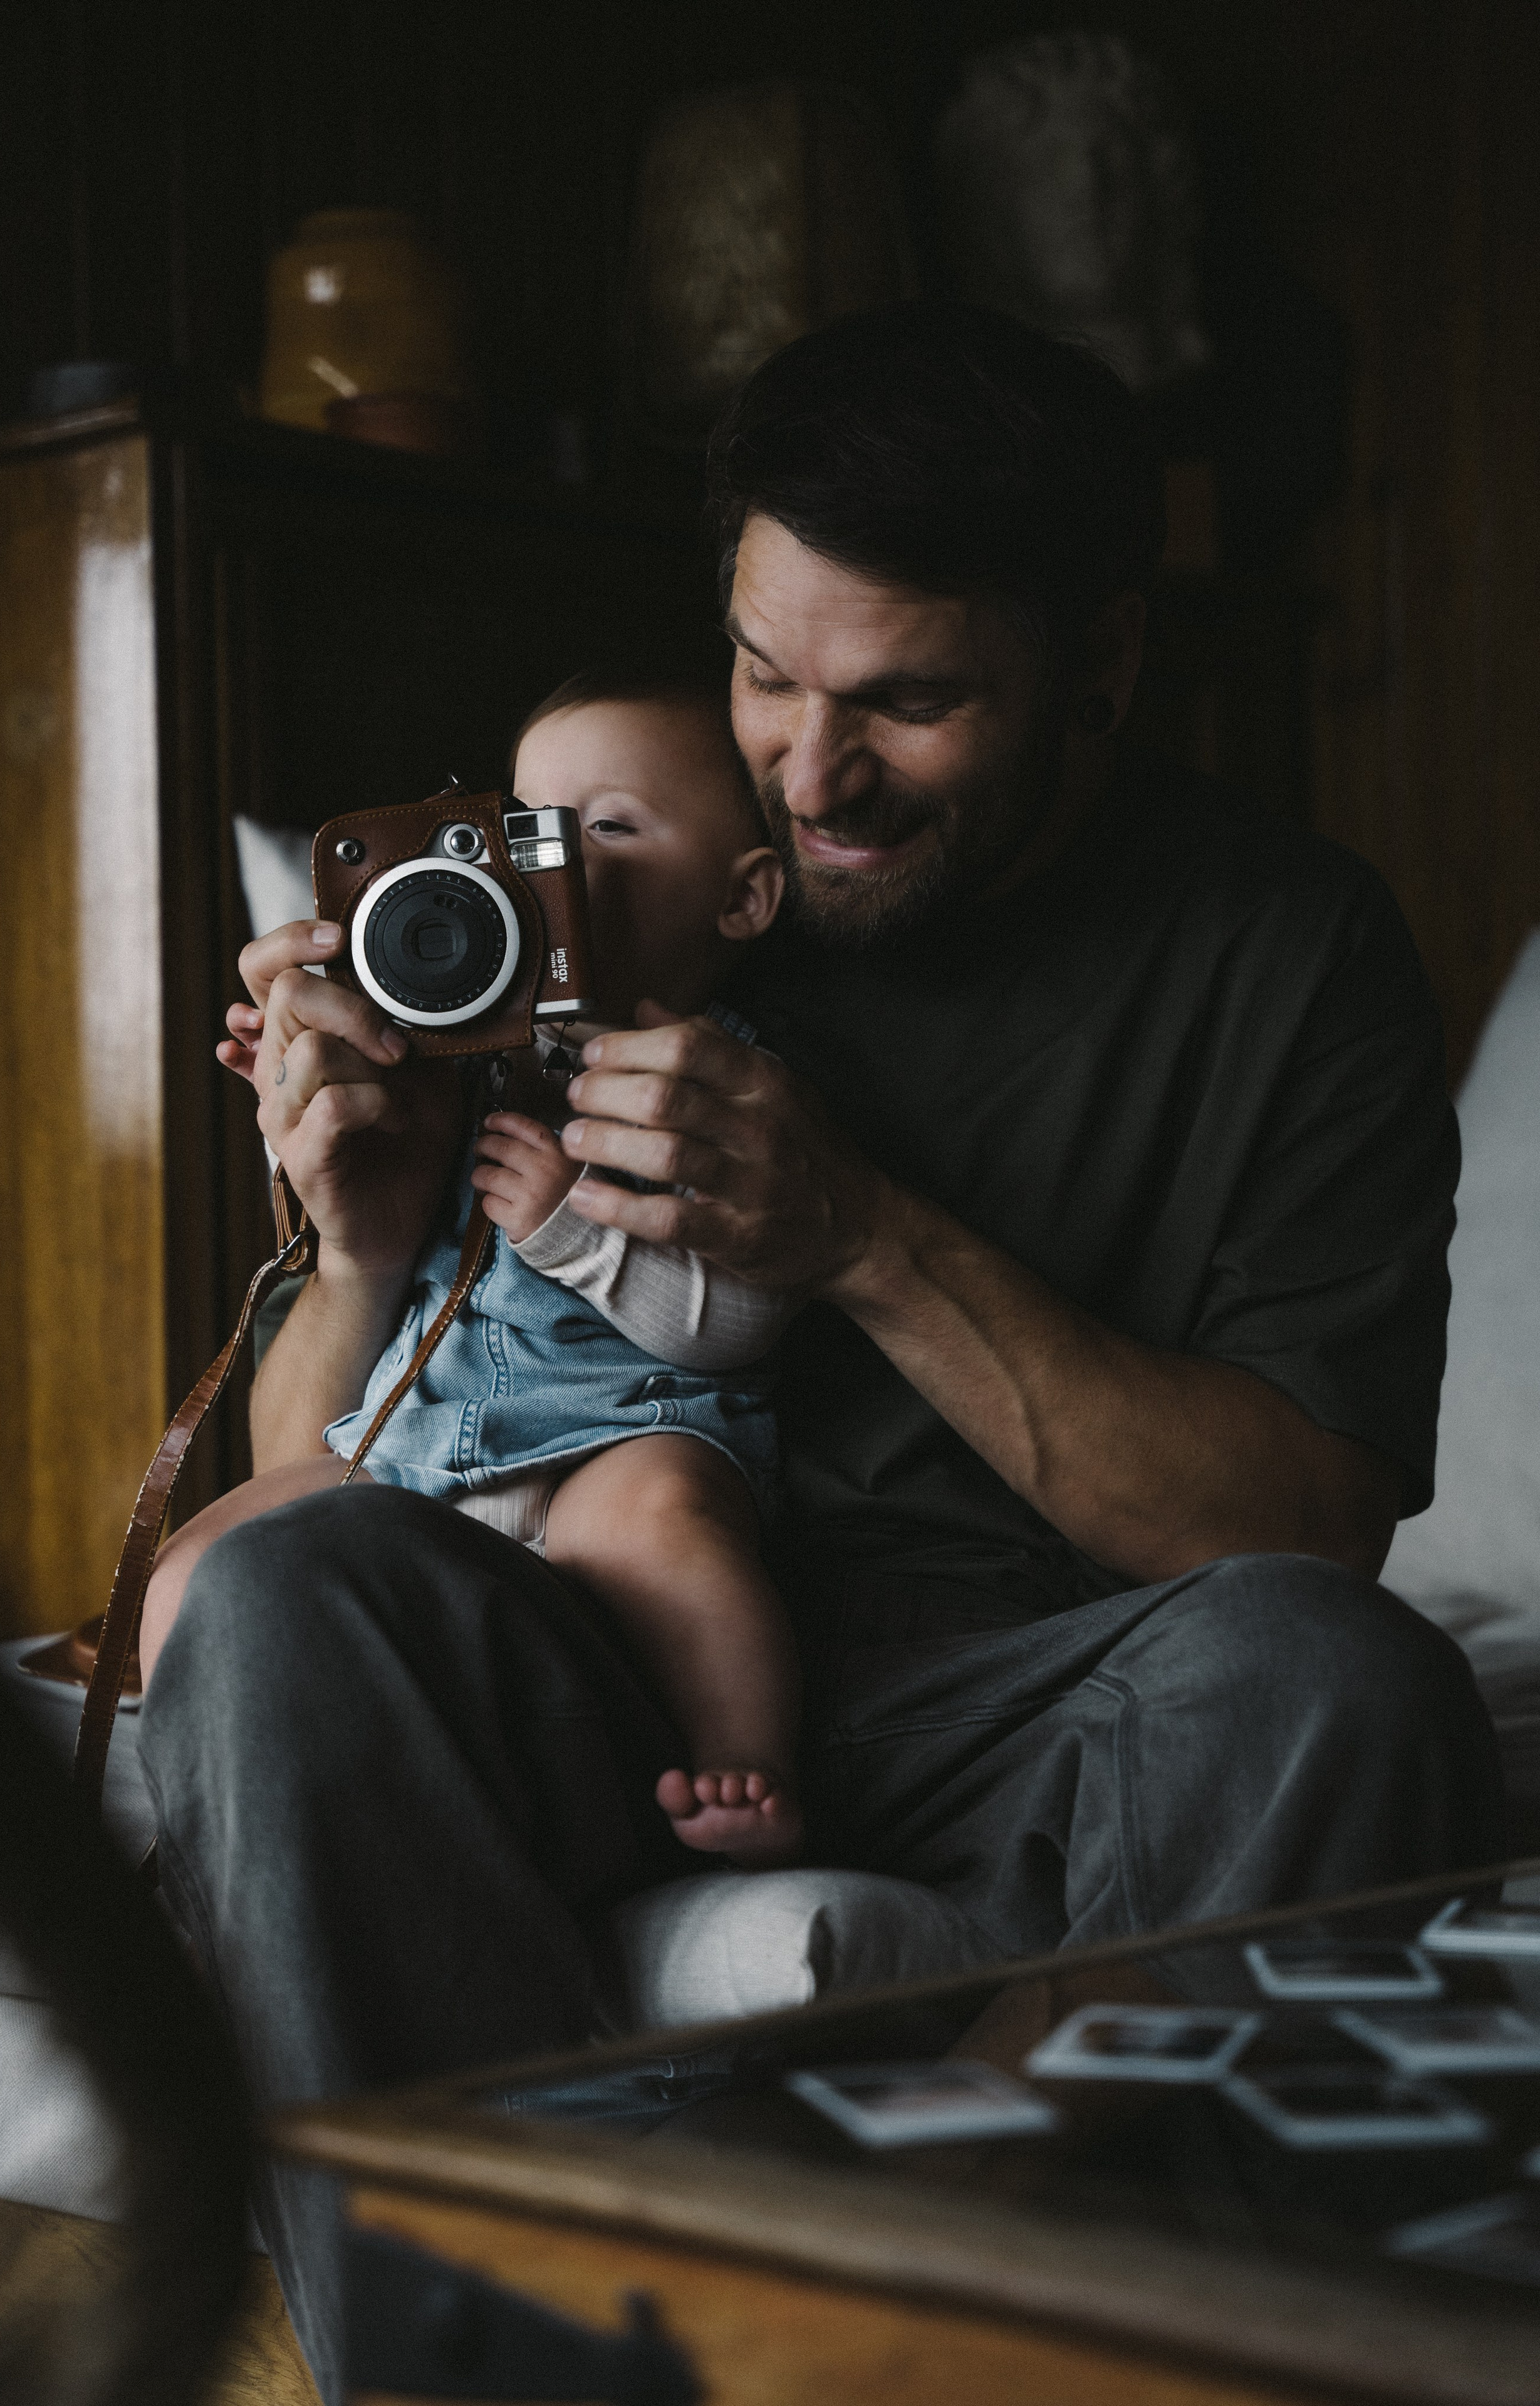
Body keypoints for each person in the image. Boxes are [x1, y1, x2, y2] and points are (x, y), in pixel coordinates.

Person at [138, 303, 1504, 2400]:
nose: (813, 768)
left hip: (1031, 1702)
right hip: (594, 1643)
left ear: (1104, 669)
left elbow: (1298, 1525)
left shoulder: (1284, 955)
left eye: (914, 700)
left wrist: (860, 1232)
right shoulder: (620, 883)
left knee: (1336, 1681)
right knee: (274, 1603)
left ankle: (882, 2280)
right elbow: (340, 1468)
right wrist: (359, 1230)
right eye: (768, 676)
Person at [142, 675, 806, 1861]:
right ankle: (212, 1790)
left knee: (664, 1529)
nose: (543, 872)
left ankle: (738, 1766)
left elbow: (743, 1318)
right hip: (421, 1440)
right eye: (519, 835)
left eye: (604, 829)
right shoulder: (470, 1058)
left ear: (744, 898)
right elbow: (359, 1262)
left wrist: (574, 1236)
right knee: (212, 1555)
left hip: (625, 1429)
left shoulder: (720, 1085)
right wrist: (326, 1093)